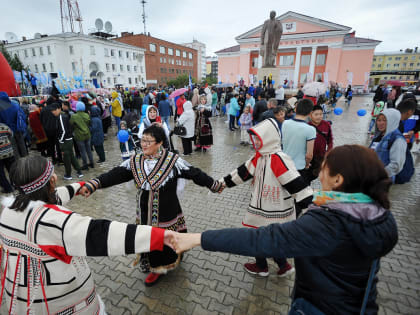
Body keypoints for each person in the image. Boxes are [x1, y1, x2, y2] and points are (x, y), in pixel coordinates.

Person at [169, 145, 398, 315]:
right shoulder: (380, 215)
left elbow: (261, 239)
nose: (319, 175)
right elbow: (242, 172)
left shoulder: (328, 224)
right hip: (361, 306)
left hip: (318, 308)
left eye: (324, 169)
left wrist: (198, 238)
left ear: (338, 179)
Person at [0, 155, 172, 314]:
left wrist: (79, 186)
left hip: (22, 300)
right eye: (53, 175)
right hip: (60, 302)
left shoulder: (9, 211)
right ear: (51, 181)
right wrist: (166, 237)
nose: (57, 177)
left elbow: (54, 195)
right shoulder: (54, 222)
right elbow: (105, 234)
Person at [79, 125, 223, 286]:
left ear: (160, 142)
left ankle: (159, 267)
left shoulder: (173, 161)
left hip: (167, 211)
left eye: (149, 141)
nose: (144, 144)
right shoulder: (136, 161)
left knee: (165, 237)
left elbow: (194, 173)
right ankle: (152, 262)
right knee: (147, 236)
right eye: (143, 140)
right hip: (144, 210)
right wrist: (94, 184)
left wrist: (214, 184)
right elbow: (116, 174)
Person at [218, 118, 313, 277]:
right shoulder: (260, 157)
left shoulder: (278, 158)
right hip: (262, 207)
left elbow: (297, 185)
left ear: (269, 137)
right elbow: (242, 173)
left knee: (259, 237)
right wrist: (221, 184)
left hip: (274, 208)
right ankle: (283, 266)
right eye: (254, 137)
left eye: (258, 137)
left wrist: (312, 210)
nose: (255, 140)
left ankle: (262, 266)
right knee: (271, 237)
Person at [369, 108, 411, 184]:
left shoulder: (398, 140)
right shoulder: (378, 136)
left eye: (385, 120)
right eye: (379, 120)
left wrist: (377, 175)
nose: (380, 123)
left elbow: (396, 165)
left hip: (382, 181)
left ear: (392, 121)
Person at [282, 99, 316, 184]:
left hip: (284, 165)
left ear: (296, 109)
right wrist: (307, 164)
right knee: (300, 195)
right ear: (310, 113)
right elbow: (309, 155)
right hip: (299, 168)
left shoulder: (285, 123)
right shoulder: (310, 129)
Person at [52, 102, 83, 180]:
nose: (53, 112)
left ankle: (68, 175)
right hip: (68, 140)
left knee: (66, 158)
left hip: (65, 141)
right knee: (71, 156)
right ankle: (79, 171)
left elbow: (63, 131)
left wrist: (61, 141)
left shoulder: (61, 117)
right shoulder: (63, 116)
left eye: (54, 110)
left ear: (59, 109)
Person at [308, 105, 333, 181]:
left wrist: (329, 151)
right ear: (310, 115)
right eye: (316, 114)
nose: (319, 117)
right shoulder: (307, 126)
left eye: (321, 114)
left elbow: (330, 139)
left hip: (321, 155)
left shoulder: (326, 125)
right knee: (307, 174)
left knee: (316, 173)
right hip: (309, 156)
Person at [70, 102, 94, 170]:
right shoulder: (86, 115)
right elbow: (89, 123)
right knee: (89, 150)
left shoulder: (74, 116)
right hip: (87, 134)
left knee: (82, 151)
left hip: (79, 136)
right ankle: (91, 163)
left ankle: (85, 165)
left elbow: (71, 124)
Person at [0, 122, 15, 193]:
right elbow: (11, 134)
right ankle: (16, 185)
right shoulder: (3, 126)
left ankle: (8, 188)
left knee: (1, 173)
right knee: (12, 170)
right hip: (8, 152)